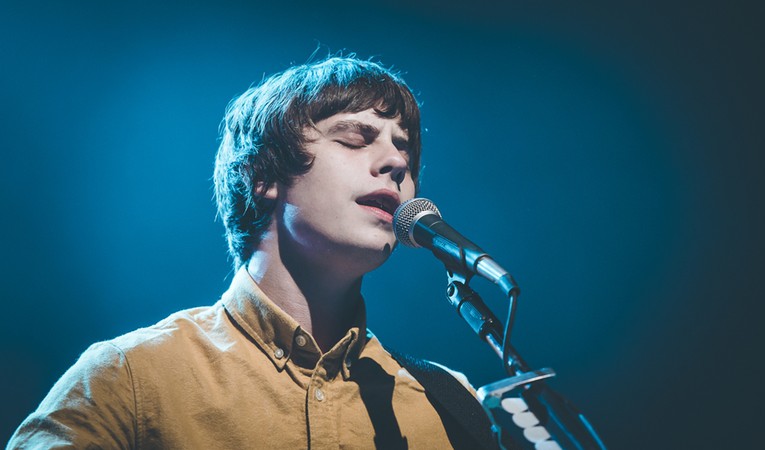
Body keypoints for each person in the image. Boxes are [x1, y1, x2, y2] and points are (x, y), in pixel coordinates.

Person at [7, 56, 500, 449]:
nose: (396, 162)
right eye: (354, 137)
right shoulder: (132, 378)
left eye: (405, 151)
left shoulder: (449, 403)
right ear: (263, 176)